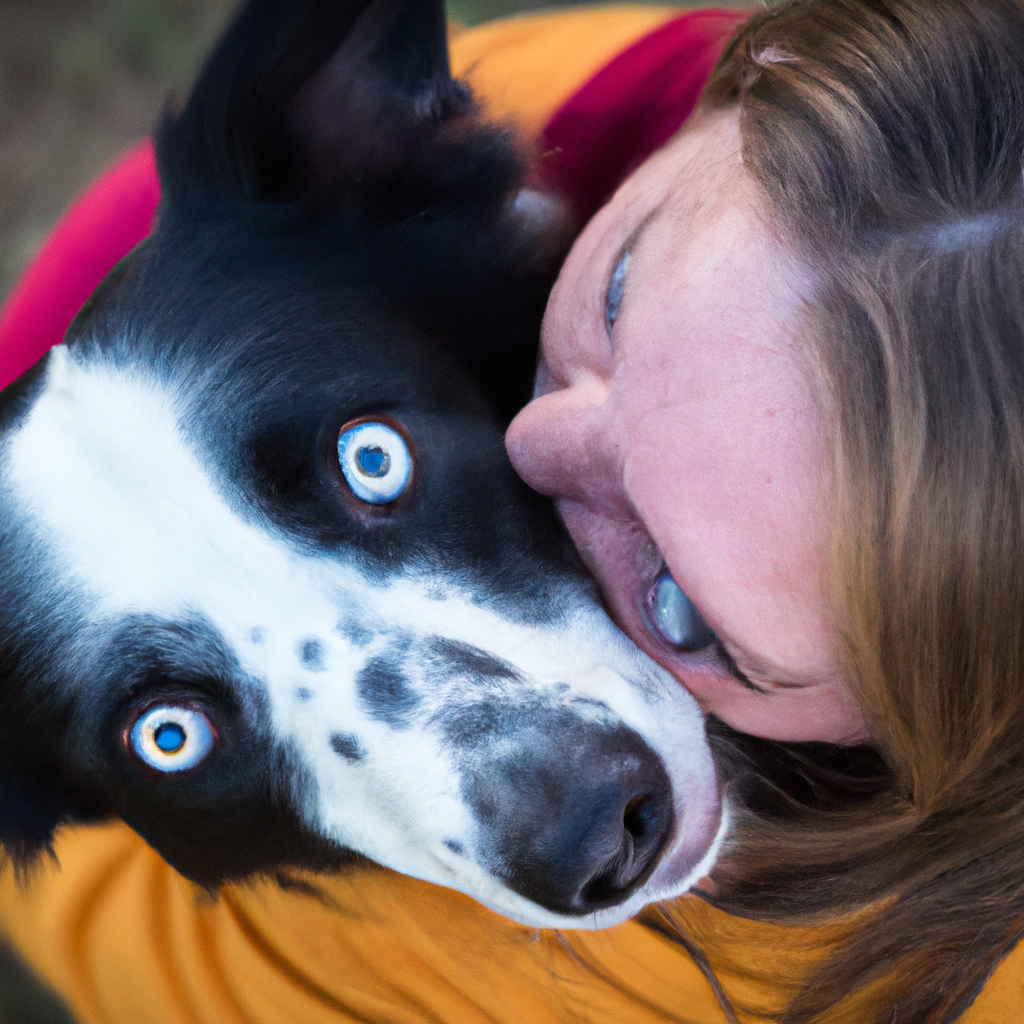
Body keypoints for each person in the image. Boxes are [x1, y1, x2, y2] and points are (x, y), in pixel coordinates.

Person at [2, 1, 1024, 1022]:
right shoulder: (573, 115)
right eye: (617, 293)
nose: (527, 442)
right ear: (772, 58)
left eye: (683, 605)